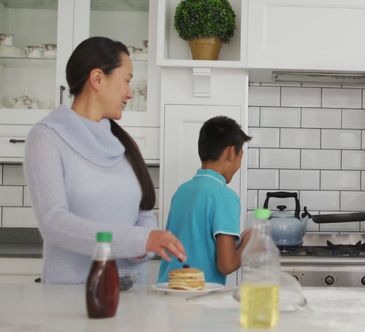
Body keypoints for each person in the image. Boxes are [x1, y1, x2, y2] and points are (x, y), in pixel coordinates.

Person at [24, 36, 186, 284]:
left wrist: (143, 244)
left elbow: (143, 212)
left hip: (130, 295)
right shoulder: (46, 137)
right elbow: (53, 223)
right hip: (72, 299)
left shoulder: (122, 143)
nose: (130, 94)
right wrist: (138, 240)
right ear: (97, 79)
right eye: (126, 81)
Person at [157, 116, 252, 285]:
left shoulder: (182, 191)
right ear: (231, 152)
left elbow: (197, 244)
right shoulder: (226, 197)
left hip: (169, 289)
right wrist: (251, 242)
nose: (239, 164)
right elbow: (226, 265)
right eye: (240, 156)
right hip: (199, 297)